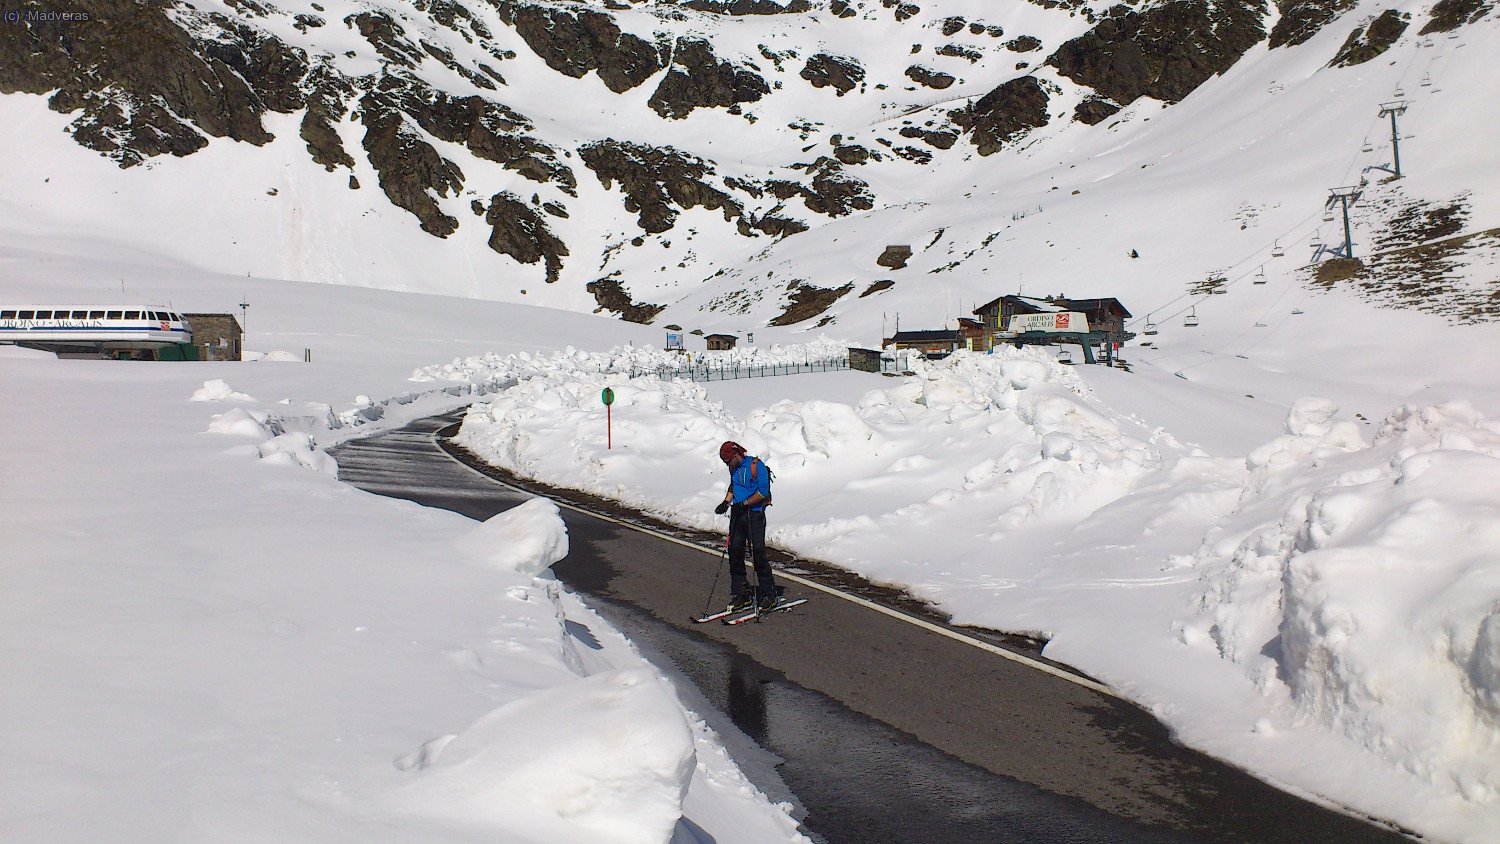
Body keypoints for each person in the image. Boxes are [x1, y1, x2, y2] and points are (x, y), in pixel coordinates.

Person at [713, 441, 782, 611]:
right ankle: (741, 594)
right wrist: (725, 503)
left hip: (754, 515)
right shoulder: (734, 467)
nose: (727, 465)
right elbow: (733, 486)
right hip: (738, 515)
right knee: (735, 552)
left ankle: (769, 594)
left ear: (736, 455)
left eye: (728, 461)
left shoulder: (756, 466)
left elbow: (763, 491)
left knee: (757, 553)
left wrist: (744, 504)